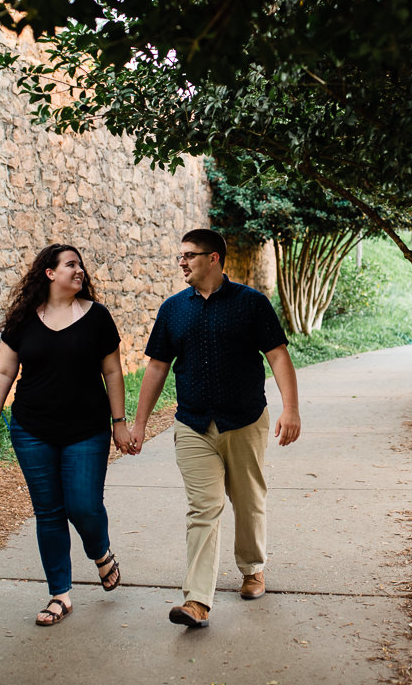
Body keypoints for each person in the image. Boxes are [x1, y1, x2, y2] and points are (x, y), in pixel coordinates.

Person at [128, 229, 301, 629]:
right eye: (180, 256)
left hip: (244, 421)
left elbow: (277, 356)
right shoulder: (173, 309)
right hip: (193, 424)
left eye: (190, 255)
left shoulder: (251, 304)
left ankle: (253, 568)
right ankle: (197, 601)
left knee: (248, 499)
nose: (182, 262)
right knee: (203, 508)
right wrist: (139, 423)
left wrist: (290, 409)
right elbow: (157, 367)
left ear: (215, 259)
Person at [0, 243, 130, 626]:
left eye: (80, 265)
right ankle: (60, 594)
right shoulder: (23, 320)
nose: (79, 271)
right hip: (33, 429)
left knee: (83, 505)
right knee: (48, 513)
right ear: (49, 273)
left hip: (86, 429)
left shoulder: (97, 317)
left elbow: (112, 372)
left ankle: (100, 552)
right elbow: (3, 373)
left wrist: (119, 422)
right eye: (70, 265)